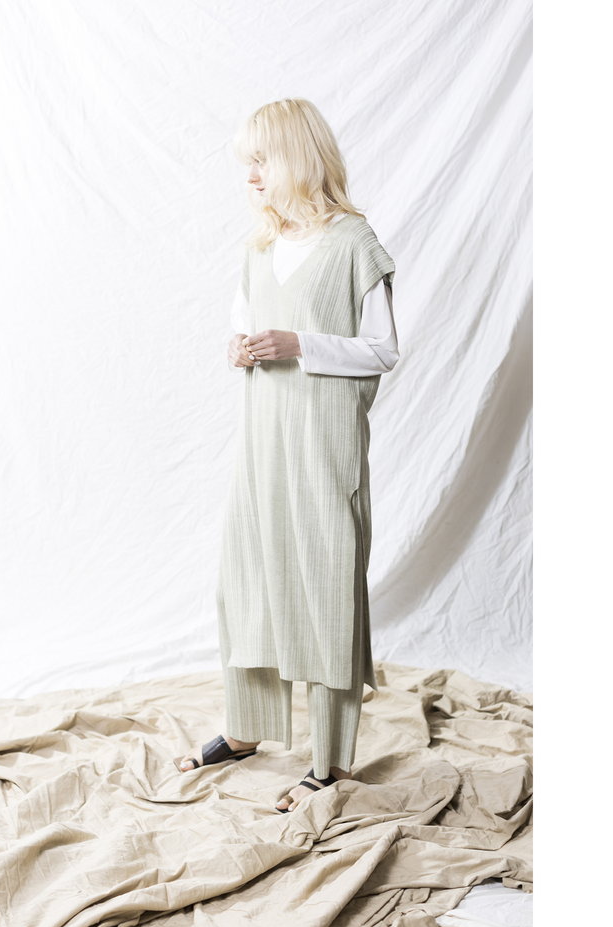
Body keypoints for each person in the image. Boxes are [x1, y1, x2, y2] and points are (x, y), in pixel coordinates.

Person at [174, 98, 399, 813]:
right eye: (247, 163)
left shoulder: (354, 243)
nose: (250, 177)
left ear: (297, 157)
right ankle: (246, 730)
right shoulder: (259, 248)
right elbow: (245, 327)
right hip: (264, 444)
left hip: (324, 446)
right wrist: (239, 349)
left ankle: (327, 762)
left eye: (260, 161)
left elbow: (384, 350)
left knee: (325, 590)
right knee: (247, 582)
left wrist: (300, 344)